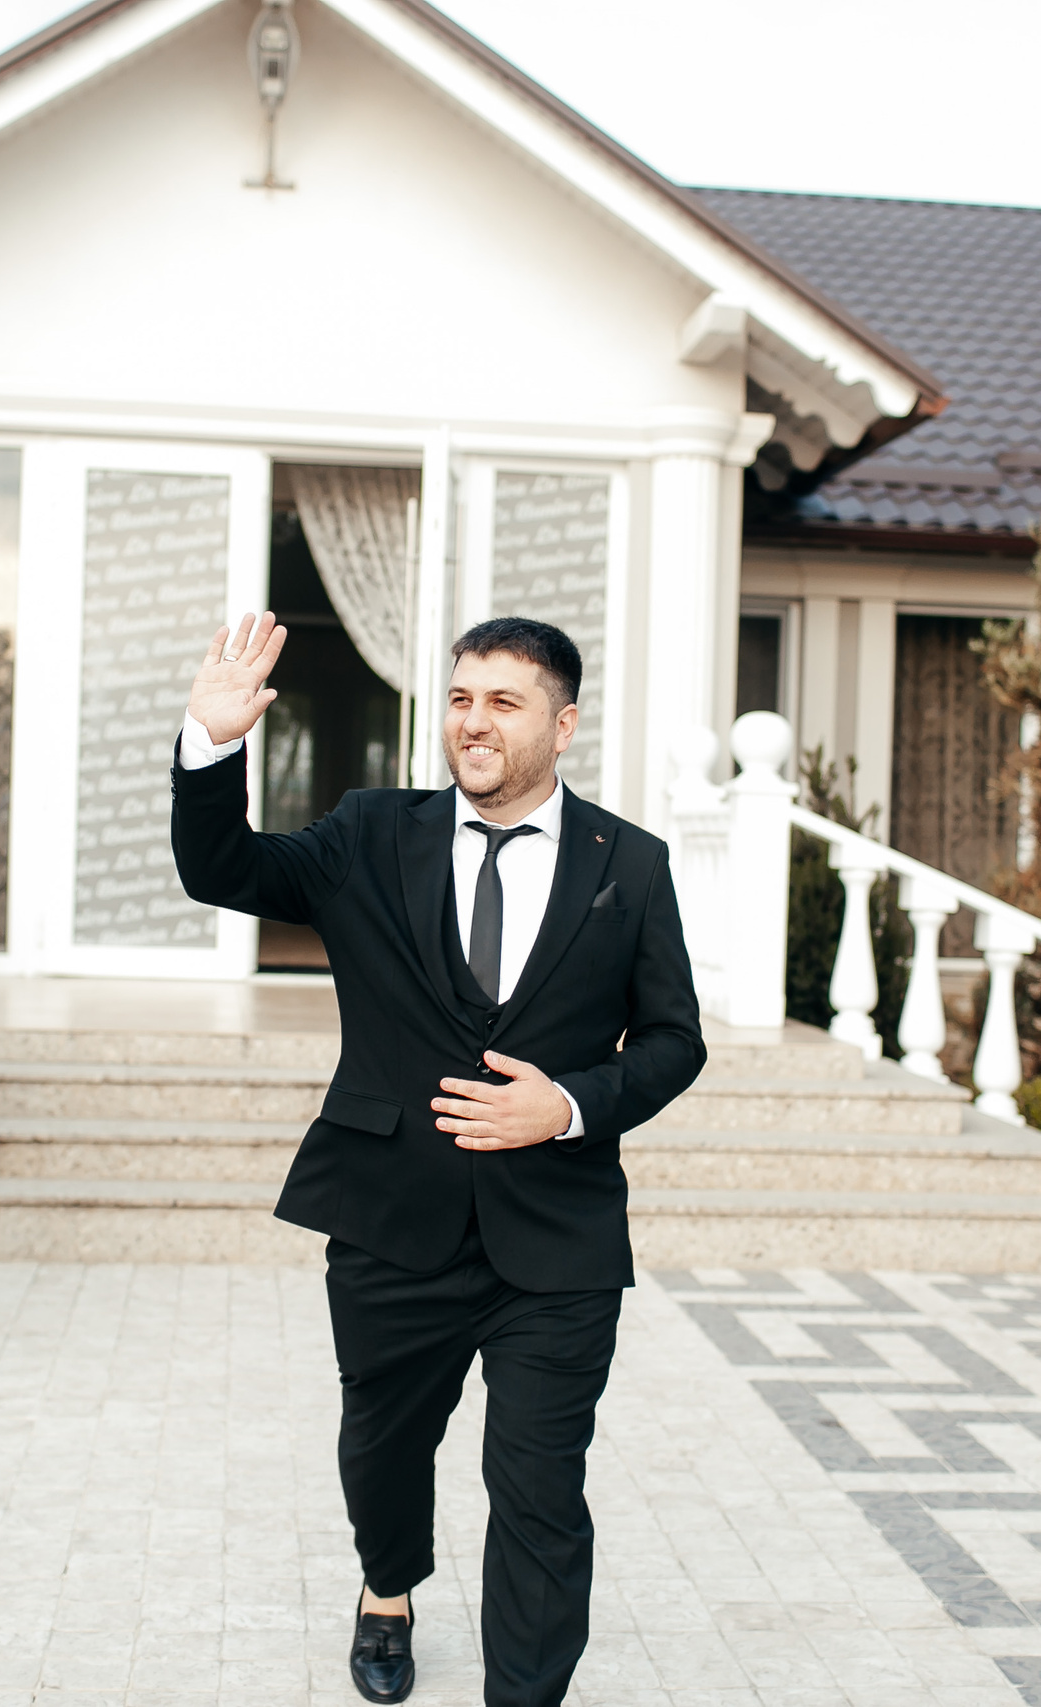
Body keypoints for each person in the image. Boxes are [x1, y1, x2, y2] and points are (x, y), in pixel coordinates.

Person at [172, 613, 705, 1707]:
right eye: (461, 698)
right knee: (384, 1446)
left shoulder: (630, 864)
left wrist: (566, 1105)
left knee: (540, 1491)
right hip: (389, 1214)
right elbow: (222, 868)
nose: (473, 721)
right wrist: (211, 744)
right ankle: (388, 1587)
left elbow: (672, 1040)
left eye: (503, 702)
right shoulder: (371, 830)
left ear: (562, 725)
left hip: (555, 1236)